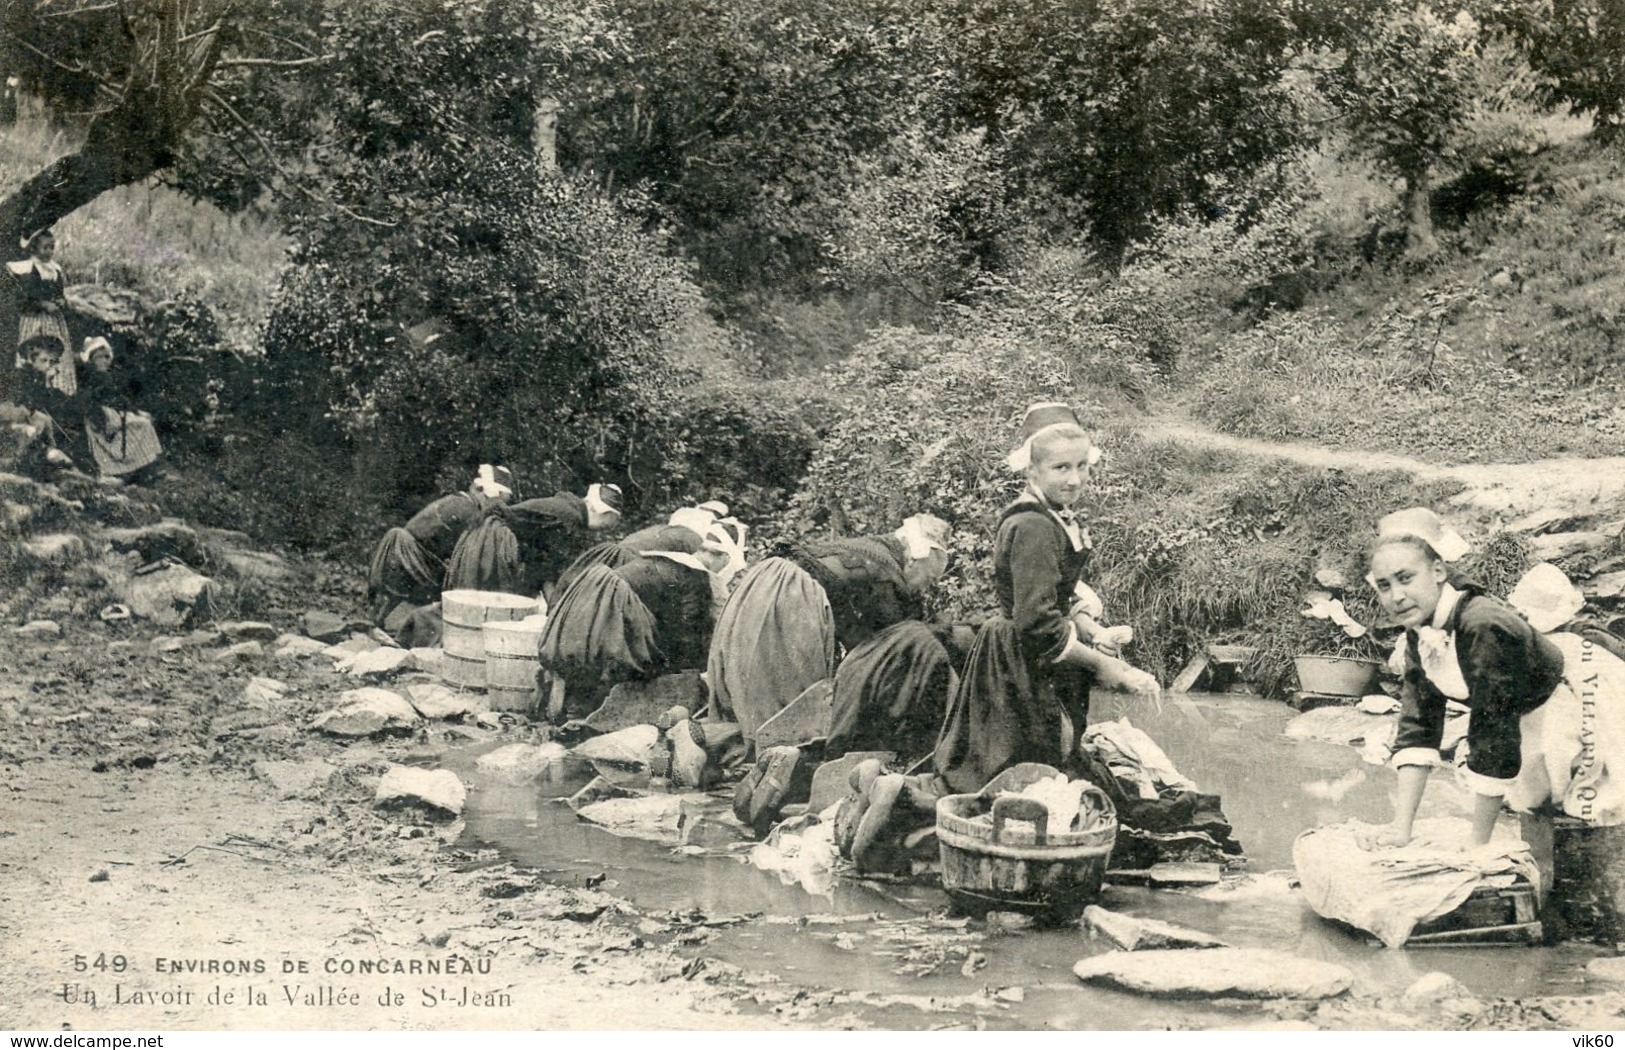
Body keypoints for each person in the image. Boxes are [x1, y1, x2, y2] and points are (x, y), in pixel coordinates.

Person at [1357, 507, 1625, 851]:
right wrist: (1401, 829)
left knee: (1589, 802)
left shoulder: (1483, 625)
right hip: (1524, 706)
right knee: (1532, 804)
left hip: (1574, 689)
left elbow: (1492, 731)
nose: (1396, 596)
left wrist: (1477, 845)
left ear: (1438, 571)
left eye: (1405, 578)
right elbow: (1418, 725)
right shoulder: (1419, 634)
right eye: (1384, 585)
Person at [934, 402, 1161, 794]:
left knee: (1047, 766)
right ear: (1032, 470)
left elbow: (1058, 592)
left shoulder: (1054, 515)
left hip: (1031, 653)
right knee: (1021, 772)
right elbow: (1037, 621)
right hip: (1020, 658)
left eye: (1082, 466)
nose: (1074, 479)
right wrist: (1104, 667)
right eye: (1061, 468)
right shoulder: (1033, 526)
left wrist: (1091, 630)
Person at [708, 512, 953, 746]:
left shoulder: (876, 552)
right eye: (929, 579)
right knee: (787, 707)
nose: (925, 588)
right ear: (913, 560)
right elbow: (883, 644)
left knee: (749, 695)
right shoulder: (886, 573)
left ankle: (713, 742)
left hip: (761, 585)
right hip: (789, 599)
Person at [540, 517, 749, 717]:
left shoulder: (667, 562)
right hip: (604, 612)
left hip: (586, 600)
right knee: (646, 660)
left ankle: (573, 708)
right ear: (723, 557)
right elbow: (687, 632)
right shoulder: (693, 576)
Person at [367, 464, 515, 631]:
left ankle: (383, 621)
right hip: (411, 553)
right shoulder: (465, 507)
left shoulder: (462, 501)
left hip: (411, 549)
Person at [443, 481, 622, 599]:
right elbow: (548, 567)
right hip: (494, 541)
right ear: (596, 510)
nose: (606, 527)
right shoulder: (570, 516)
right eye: (606, 522)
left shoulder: (571, 509)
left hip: (497, 537)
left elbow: (541, 559)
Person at [75, 337, 163, 482]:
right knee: (142, 425)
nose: (105, 361)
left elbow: (120, 399)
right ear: (91, 359)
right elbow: (88, 400)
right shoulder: (90, 377)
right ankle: (133, 470)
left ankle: (145, 467)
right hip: (99, 418)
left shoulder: (108, 376)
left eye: (107, 357)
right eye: (100, 358)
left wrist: (135, 411)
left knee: (143, 422)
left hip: (113, 414)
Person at [8, 229, 75, 394]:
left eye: (52, 247)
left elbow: (60, 294)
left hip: (54, 321)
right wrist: (42, 304)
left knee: (56, 352)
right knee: (36, 351)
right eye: (45, 248)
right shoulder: (27, 269)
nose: (49, 252)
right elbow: (22, 300)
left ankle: (59, 390)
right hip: (34, 319)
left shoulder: (55, 270)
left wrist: (61, 301)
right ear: (33, 248)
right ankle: (34, 391)